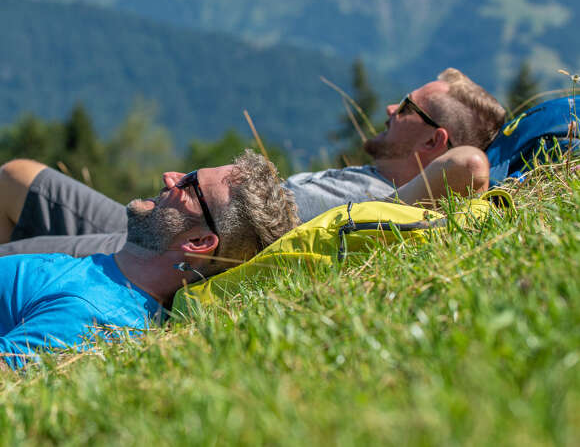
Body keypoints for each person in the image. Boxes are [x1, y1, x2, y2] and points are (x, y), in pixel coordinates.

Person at [0, 68, 505, 257]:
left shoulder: (387, 206)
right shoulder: (369, 177)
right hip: (170, 220)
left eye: (409, 107)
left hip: (171, 248)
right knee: (13, 176)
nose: (392, 109)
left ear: (434, 141)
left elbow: (471, 167)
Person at [0, 151, 299, 370]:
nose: (170, 178)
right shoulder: (110, 280)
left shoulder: (91, 313)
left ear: (197, 243)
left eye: (189, 185)